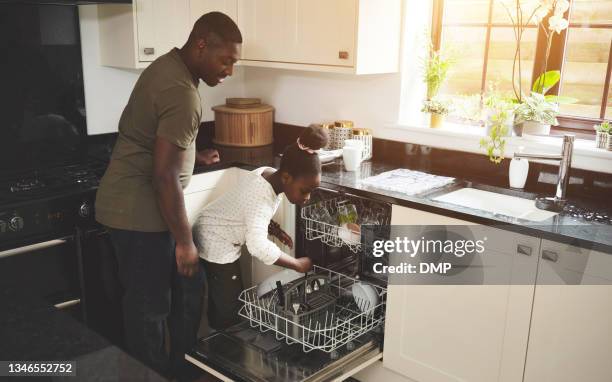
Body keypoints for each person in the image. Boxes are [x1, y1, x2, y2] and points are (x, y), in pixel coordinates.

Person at [94, 12, 241, 378]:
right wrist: (185, 242)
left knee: (189, 290)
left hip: (136, 205)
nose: (230, 71)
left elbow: (157, 142)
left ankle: (178, 369)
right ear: (202, 44)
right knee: (150, 310)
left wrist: (192, 154)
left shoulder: (168, 67)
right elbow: (163, 176)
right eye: (227, 60)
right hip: (138, 214)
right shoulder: (182, 92)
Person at [192, 125, 328, 330]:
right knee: (229, 308)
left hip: (210, 225)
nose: (307, 199)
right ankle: (222, 344)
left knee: (222, 298)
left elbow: (247, 211)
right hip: (216, 240)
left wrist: (273, 230)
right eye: (305, 191)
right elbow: (257, 245)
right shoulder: (262, 198)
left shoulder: (267, 174)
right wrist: (297, 264)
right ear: (286, 178)